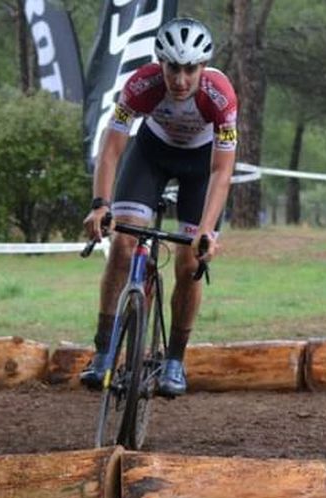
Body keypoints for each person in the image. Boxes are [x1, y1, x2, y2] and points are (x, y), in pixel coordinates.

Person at [80, 17, 236, 397]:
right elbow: (112, 148)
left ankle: (175, 360)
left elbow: (221, 171)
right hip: (151, 154)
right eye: (173, 68)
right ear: (160, 64)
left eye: (190, 69)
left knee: (190, 263)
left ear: (203, 67)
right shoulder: (141, 85)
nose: (180, 79)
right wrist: (101, 205)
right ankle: (103, 351)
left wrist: (206, 230)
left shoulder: (220, 96)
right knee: (121, 245)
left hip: (200, 168)